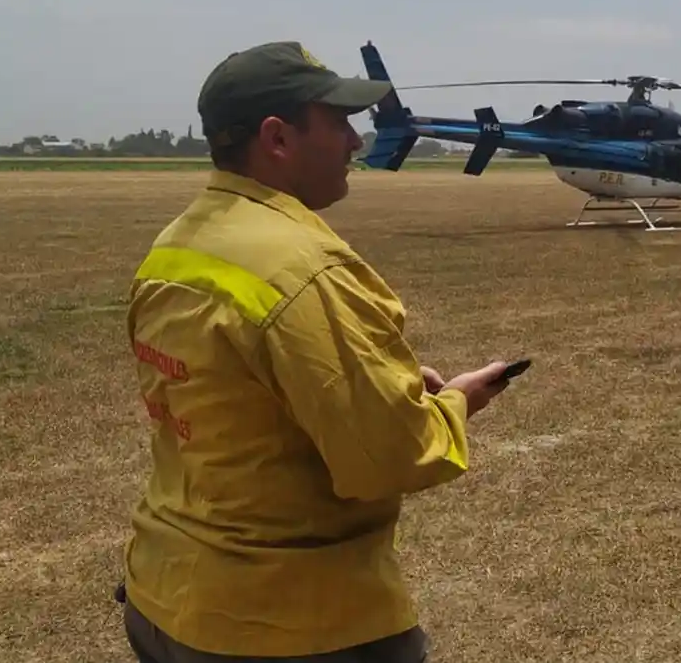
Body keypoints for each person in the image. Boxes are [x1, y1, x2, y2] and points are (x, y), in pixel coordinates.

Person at [116, 40, 513, 662]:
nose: (356, 142)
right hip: (289, 624)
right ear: (277, 138)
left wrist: (378, 381)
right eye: (339, 122)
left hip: (165, 596)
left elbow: (238, 397)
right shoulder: (301, 268)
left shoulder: (177, 245)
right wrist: (454, 404)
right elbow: (390, 456)